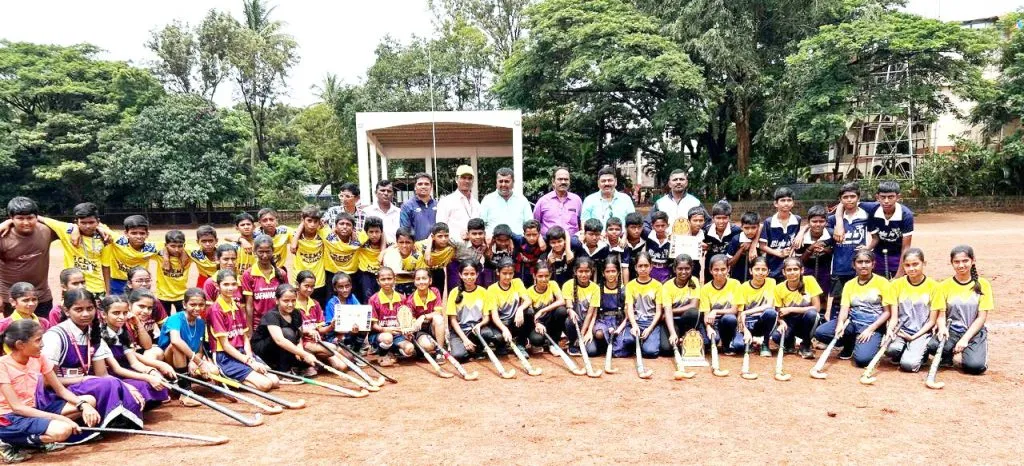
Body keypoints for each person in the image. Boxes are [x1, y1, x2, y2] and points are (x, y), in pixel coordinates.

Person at [41, 289, 144, 441]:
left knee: (131, 385)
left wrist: (126, 387)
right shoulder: (56, 336)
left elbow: (102, 374)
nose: (85, 314)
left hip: (81, 385)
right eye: (78, 309)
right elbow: (47, 381)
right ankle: (100, 424)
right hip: (56, 393)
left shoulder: (93, 333)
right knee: (107, 384)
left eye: (89, 309)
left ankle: (108, 419)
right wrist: (83, 379)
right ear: (66, 311)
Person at [0, 319, 101, 459]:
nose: (42, 345)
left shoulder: (39, 358)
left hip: (33, 410)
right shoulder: (2, 365)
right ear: (20, 345)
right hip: (9, 417)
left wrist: (83, 405)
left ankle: (31, 438)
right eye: (38, 340)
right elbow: (17, 408)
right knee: (62, 430)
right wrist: (61, 419)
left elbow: (61, 390)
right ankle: (7, 441)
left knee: (88, 401)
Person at [813, 250, 893, 367]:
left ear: (873, 264)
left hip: (872, 325)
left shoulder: (883, 283)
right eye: (860, 262)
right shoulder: (849, 284)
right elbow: (844, 309)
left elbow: (887, 313)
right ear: (853, 265)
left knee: (862, 360)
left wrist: (870, 329)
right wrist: (840, 324)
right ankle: (849, 344)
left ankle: (871, 342)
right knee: (821, 332)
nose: (864, 265)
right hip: (852, 323)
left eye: (867, 262)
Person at [207, 270, 279, 391]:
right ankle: (228, 380)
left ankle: (244, 376)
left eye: (233, 284)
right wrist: (250, 362)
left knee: (275, 381)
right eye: (226, 284)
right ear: (217, 286)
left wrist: (250, 358)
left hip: (242, 353)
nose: (230, 288)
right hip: (225, 357)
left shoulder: (237, 306)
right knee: (265, 385)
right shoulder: (216, 310)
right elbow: (225, 346)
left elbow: (245, 337)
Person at [96, 296, 171, 410]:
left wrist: (151, 371)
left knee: (155, 379)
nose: (121, 317)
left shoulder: (122, 331)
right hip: (109, 375)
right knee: (143, 384)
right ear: (104, 314)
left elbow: (134, 363)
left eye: (125, 313)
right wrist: (147, 377)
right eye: (116, 313)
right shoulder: (99, 335)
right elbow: (116, 369)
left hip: (124, 371)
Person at [1, 197, 59, 318]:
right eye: (20, 218)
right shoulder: (3, 236)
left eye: (30, 218)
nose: (26, 222)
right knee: (16, 334)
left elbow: (79, 227)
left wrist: (101, 228)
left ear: (37, 217)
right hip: (12, 298)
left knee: (43, 331)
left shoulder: (46, 230)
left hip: (41, 296)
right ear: (11, 218)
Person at [936, 245, 990, 375]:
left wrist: (965, 339)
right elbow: (941, 315)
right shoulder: (943, 286)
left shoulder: (983, 284)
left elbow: (981, 317)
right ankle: (947, 356)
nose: (961, 265)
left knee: (975, 367)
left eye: (965, 261)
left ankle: (971, 353)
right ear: (951, 263)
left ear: (973, 261)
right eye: (957, 262)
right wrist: (942, 328)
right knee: (931, 346)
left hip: (973, 332)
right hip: (952, 331)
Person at [884, 248, 941, 372]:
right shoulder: (896, 285)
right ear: (903, 266)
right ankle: (904, 350)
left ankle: (921, 352)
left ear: (923, 264)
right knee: (889, 349)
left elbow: (932, 322)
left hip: (921, 332)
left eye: (915, 264)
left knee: (908, 365)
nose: (911, 268)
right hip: (901, 331)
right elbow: (894, 317)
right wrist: (890, 329)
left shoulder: (934, 286)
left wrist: (913, 337)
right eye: (907, 265)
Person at [826, 182, 876, 319]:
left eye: (852, 196)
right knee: (837, 300)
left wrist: (868, 247)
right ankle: (833, 328)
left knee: (859, 299)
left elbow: (875, 236)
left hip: (859, 266)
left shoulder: (866, 216)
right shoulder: (832, 220)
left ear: (858, 198)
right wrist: (838, 222)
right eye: (845, 197)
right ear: (840, 200)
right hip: (839, 266)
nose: (849, 200)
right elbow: (819, 229)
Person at [37, 202, 108, 297]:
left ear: (98, 221)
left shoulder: (105, 235)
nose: (87, 226)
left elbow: (106, 266)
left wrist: (108, 291)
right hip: (72, 287)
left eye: (91, 222)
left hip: (97, 287)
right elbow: (38, 217)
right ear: (76, 222)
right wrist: (9, 221)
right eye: (83, 223)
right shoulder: (66, 229)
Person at [159, 288, 217, 402]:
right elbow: (175, 341)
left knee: (214, 371)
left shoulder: (200, 322)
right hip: (169, 362)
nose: (197, 308)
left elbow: (199, 350)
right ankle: (185, 390)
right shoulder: (175, 318)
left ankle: (187, 380)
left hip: (189, 360)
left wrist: (193, 362)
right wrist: (198, 361)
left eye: (201, 305)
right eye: (193, 304)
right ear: (184, 304)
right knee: (176, 346)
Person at [251, 284, 319, 379]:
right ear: (277, 300)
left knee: (308, 364)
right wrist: (304, 354)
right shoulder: (271, 315)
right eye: (286, 301)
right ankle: (283, 371)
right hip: (264, 350)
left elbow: (299, 335)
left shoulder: (296, 313)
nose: (290, 304)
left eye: (293, 300)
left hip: (284, 347)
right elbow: (280, 340)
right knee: (287, 333)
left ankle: (292, 365)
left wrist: (300, 353)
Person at [772, 257, 822, 359]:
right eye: (789, 270)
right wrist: (781, 322)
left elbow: (816, 308)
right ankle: (790, 342)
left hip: (806, 321)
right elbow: (779, 311)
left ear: (802, 270)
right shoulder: (778, 288)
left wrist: (790, 309)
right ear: (783, 272)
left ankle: (806, 344)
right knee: (776, 337)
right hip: (790, 321)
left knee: (812, 314)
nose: (792, 272)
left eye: (795, 269)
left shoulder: (810, 280)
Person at [865, 181, 914, 278]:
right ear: (877, 197)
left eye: (891, 197)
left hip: (898, 256)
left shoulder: (906, 215)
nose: (886, 201)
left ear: (898, 197)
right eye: (883, 197)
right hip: (879, 255)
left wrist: (899, 274)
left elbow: (906, 247)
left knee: (898, 288)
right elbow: (875, 238)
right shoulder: (873, 211)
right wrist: (867, 249)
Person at [367, 267, 414, 367]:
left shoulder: (402, 298)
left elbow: (405, 320)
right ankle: (382, 353)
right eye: (383, 279)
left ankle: (393, 351)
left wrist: (407, 330)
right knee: (387, 338)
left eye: (389, 278)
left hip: (397, 335)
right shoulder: (373, 299)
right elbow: (373, 326)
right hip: (380, 334)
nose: (386, 282)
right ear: (378, 281)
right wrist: (386, 329)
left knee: (410, 349)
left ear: (394, 279)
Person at [101, 215, 158, 296]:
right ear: (126, 233)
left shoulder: (152, 248)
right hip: (117, 282)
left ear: (147, 234)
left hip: (140, 282)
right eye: (134, 233)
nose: (138, 236)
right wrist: (75, 229)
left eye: (142, 233)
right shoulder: (117, 240)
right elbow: (98, 224)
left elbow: (171, 245)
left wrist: (166, 255)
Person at [619, 252, 662, 358]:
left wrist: (650, 328)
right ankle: (639, 342)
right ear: (635, 268)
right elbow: (629, 309)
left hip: (651, 322)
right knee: (627, 342)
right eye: (640, 266)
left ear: (651, 267)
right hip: (636, 321)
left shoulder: (658, 286)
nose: (643, 269)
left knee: (651, 352)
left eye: (646, 266)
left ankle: (646, 342)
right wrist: (634, 325)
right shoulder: (630, 285)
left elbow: (659, 312)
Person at [242, 235, 288, 332]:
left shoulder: (281, 274)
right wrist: (250, 329)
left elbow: (287, 301)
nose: (265, 255)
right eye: (260, 252)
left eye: (268, 251)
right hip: (258, 324)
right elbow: (249, 305)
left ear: (273, 250)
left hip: (278, 323)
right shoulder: (248, 274)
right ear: (255, 251)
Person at [446, 261, 491, 361]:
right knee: (459, 356)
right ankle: (469, 350)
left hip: (475, 329)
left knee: (488, 334)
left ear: (477, 274)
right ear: (460, 275)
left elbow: (486, 317)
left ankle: (476, 350)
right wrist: (465, 340)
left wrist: (480, 325)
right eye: (465, 274)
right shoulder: (454, 292)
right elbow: (453, 320)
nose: (469, 277)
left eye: (472, 274)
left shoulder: (483, 292)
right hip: (459, 331)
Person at [487, 258, 533, 354]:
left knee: (529, 312)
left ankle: (521, 344)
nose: (508, 277)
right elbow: (494, 316)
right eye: (504, 273)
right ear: (498, 272)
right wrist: (504, 329)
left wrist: (520, 309)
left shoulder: (517, 282)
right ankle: (501, 345)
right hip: (500, 323)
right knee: (499, 340)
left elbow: (528, 300)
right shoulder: (492, 289)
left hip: (514, 321)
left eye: (511, 273)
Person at [700, 255, 743, 355]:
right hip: (713, 323)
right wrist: (708, 328)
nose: (719, 273)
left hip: (729, 323)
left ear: (728, 269)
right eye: (716, 269)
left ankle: (727, 343)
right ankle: (716, 338)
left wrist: (715, 311)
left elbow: (734, 310)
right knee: (710, 341)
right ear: (710, 270)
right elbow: (706, 314)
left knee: (740, 345)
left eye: (723, 269)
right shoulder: (705, 289)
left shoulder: (735, 284)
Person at [661, 255, 704, 352]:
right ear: (674, 269)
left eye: (687, 268)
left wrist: (672, 311)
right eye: (680, 269)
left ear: (692, 268)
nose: (684, 272)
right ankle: (677, 336)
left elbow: (694, 305)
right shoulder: (667, 286)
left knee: (694, 312)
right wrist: (672, 333)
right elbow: (667, 312)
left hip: (686, 320)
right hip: (671, 321)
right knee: (666, 349)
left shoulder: (694, 281)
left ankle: (687, 336)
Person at [795, 205, 834, 307]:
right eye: (814, 221)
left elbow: (835, 252)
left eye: (821, 221)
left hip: (825, 268)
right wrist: (810, 249)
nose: (818, 224)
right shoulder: (801, 238)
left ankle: (825, 313)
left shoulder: (831, 234)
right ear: (809, 222)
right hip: (808, 268)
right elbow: (800, 260)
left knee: (825, 291)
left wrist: (825, 250)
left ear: (826, 222)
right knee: (807, 294)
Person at [758, 188, 801, 280]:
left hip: (790, 267)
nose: (786, 203)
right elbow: (762, 246)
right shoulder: (769, 222)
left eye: (789, 200)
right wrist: (778, 253)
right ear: (776, 203)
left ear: (793, 203)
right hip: (773, 266)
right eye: (783, 200)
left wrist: (802, 232)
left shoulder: (797, 220)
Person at [560, 257, 599, 357]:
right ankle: (573, 343)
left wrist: (582, 334)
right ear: (575, 271)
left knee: (592, 351)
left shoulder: (595, 288)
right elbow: (568, 304)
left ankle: (581, 340)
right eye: (580, 271)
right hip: (574, 322)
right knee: (569, 320)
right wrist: (570, 310)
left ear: (592, 272)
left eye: (587, 271)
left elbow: (590, 313)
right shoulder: (568, 285)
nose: (584, 275)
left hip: (587, 323)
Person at [291, 206, 328, 307]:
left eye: (315, 221)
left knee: (318, 311)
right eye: (309, 221)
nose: (312, 224)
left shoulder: (323, 234)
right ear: (303, 221)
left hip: (318, 281)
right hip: (299, 281)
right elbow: (293, 246)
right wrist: (300, 228)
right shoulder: (294, 235)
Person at [525, 262, 567, 354]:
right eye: (540, 276)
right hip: (537, 324)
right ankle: (535, 343)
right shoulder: (529, 292)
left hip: (551, 322)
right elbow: (530, 314)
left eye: (546, 276)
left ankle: (553, 343)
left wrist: (542, 310)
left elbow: (562, 301)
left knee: (562, 311)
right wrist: (537, 324)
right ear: (534, 276)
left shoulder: (553, 284)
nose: (544, 279)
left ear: (550, 275)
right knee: (537, 340)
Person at [404, 268, 447, 354]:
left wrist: (423, 317)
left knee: (438, 318)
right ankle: (426, 346)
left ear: (430, 281)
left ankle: (440, 351)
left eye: (424, 278)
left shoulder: (435, 291)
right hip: (420, 331)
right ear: (414, 282)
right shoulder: (410, 300)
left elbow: (438, 312)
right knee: (428, 346)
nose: (421, 282)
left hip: (433, 327)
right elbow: (412, 323)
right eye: (418, 279)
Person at [480, 167, 533, 237]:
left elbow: (530, 225)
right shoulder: (487, 200)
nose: (503, 184)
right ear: (496, 182)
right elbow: (481, 224)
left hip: (517, 244)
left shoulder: (522, 200)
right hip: (494, 243)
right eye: (500, 181)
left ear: (513, 182)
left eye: (507, 181)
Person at [322, 272, 365, 355]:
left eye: (347, 286)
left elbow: (360, 313)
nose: (345, 289)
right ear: (335, 288)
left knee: (364, 326)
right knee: (347, 356)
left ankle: (356, 349)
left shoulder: (352, 298)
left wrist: (357, 324)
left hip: (350, 331)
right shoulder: (332, 303)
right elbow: (331, 327)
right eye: (341, 287)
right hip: (335, 334)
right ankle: (347, 349)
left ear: (351, 286)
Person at [435, 165, 481, 242]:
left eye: (470, 178)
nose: (467, 181)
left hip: (474, 249)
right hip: (453, 248)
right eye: (463, 178)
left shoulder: (476, 203)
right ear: (456, 179)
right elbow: (440, 229)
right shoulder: (446, 202)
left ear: (473, 181)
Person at [533, 167, 583, 236]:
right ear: (553, 182)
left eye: (566, 179)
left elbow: (581, 223)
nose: (563, 182)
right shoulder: (543, 201)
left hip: (572, 243)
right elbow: (535, 224)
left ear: (569, 181)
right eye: (560, 179)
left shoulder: (577, 200)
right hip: (549, 243)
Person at [592, 259, 627, 356]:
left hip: (619, 322)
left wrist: (619, 329)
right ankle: (602, 345)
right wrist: (608, 327)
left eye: (613, 271)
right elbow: (594, 312)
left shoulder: (624, 290)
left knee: (626, 342)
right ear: (603, 273)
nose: (611, 274)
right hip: (602, 321)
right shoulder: (598, 289)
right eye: (607, 271)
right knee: (599, 334)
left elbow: (628, 315)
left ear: (618, 272)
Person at [703, 201, 741, 283]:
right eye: (718, 218)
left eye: (724, 218)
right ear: (713, 218)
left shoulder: (736, 231)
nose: (721, 221)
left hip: (730, 268)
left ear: (729, 218)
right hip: (711, 268)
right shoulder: (706, 231)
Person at [154, 230, 189, 315]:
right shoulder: (158, 255)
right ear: (166, 245)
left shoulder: (189, 254)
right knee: (165, 322)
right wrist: (165, 256)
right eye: (172, 246)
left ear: (184, 245)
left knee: (184, 321)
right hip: (163, 295)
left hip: (182, 295)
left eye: (180, 246)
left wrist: (184, 252)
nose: (176, 250)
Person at [382, 228, 423, 296]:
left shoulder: (418, 256)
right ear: (397, 242)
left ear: (413, 242)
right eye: (401, 242)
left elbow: (419, 274)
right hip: (395, 283)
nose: (404, 246)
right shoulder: (391, 254)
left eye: (408, 242)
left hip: (412, 283)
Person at [355, 216, 387, 303]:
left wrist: (383, 251)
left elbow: (396, 245)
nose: (374, 235)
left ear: (381, 232)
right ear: (366, 233)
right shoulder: (362, 243)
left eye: (377, 232)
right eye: (371, 232)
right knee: (367, 299)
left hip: (380, 275)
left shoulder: (388, 245)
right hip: (365, 275)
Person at [399, 172, 438, 242]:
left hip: (436, 249)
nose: (423, 186)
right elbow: (405, 231)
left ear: (431, 187)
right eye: (420, 184)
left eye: (426, 184)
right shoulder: (407, 206)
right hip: (416, 248)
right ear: (415, 187)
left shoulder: (438, 205)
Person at [419, 223, 456, 294]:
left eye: (446, 236)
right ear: (433, 237)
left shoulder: (451, 247)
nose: (444, 239)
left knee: (438, 296)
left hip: (439, 273)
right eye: (440, 236)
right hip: (423, 273)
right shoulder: (422, 246)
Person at [362, 179, 401, 244]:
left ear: (393, 194)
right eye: (382, 190)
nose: (386, 193)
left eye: (389, 191)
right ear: (376, 193)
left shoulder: (399, 212)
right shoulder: (366, 212)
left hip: (395, 251)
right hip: (373, 251)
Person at [726, 212, 760, 282]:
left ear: (758, 227)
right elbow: (729, 263)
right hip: (737, 277)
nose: (750, 231)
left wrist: (752, 245)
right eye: (746, 228)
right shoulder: (736, 239)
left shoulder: (760, 238)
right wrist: (741, 249)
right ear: (741, 227)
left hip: (756, 278)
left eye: (753, 227)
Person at [645, 212, 672, 283]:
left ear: (668, 225)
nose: (660, 228)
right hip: (651, 270)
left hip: (666, 270)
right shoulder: (648, 236)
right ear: (652, 226)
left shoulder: (672, 239)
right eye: (657, 226)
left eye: (663, 225)